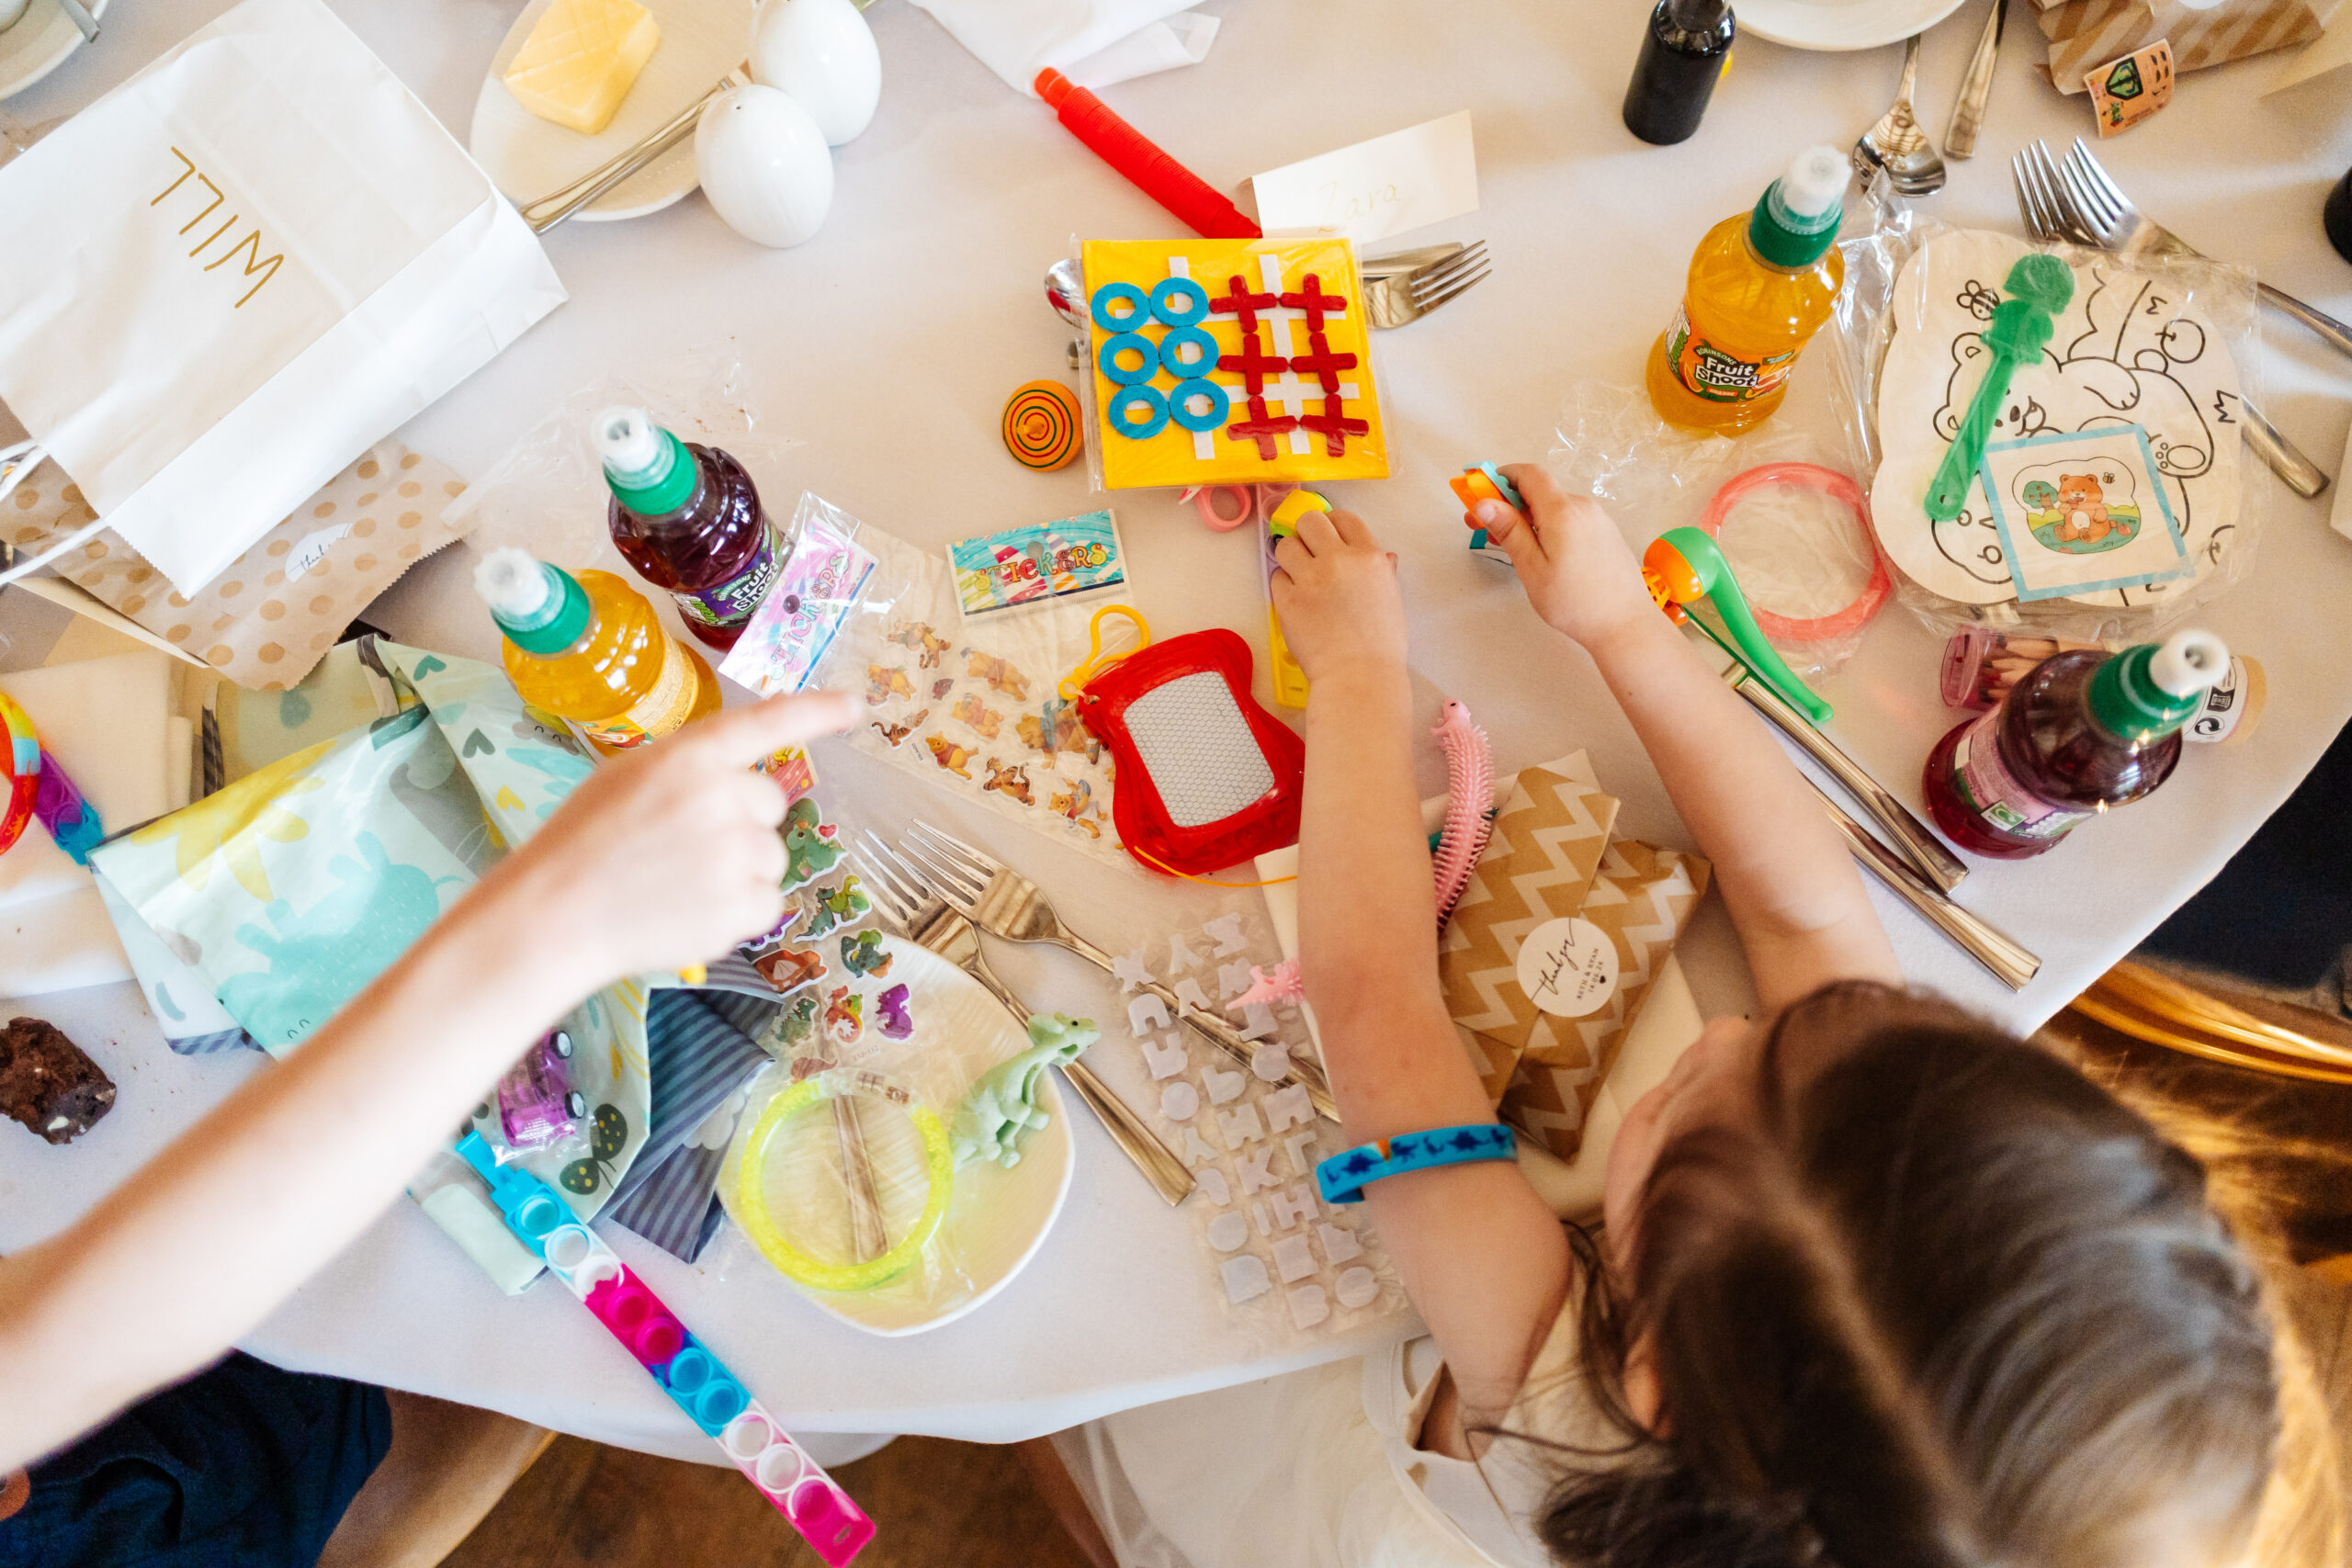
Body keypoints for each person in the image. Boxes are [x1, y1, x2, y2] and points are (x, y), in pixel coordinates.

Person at [1049, 468, 2340, 1568]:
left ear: (1655, 1360)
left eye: (1688, 1110)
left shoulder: (1568, 1413)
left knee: (1149, 1366)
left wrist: (1354, 671)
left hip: (1376, 1455)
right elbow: (1801, 907)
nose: (1726, 1034)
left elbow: (1375, 1004)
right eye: (1783, 1043)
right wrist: (1624, 629)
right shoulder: (1912, 1205)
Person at [0, 688, 859, 1559]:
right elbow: (77, 1334)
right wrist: (552, 926)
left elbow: (65, 1337)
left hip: (193, 1402)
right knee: (309, 1435)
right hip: (200, 1491)